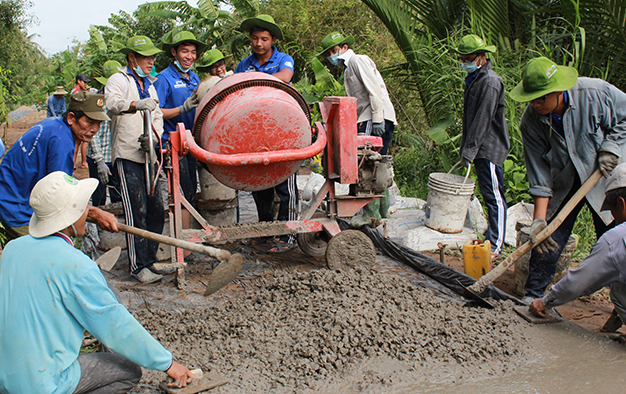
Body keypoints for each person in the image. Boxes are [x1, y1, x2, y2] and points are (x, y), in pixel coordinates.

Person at [0, 171, 194, 393]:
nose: (87, 213)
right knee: (128, 371)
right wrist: (167, 363)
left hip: (5, 377)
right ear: (71, 216)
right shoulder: (75, 265)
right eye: (83, 207)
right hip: (41, 384)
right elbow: (115, 324)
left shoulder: (13, 249)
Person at [509, 56, 626, 303]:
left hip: (607, 176)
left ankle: (620, 306)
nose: (536, 104)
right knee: (548, 238)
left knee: (616, 241)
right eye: (532, 98)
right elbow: (539, 172)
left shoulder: (595, 93)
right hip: (567, 179)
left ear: (559, 91)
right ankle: (533, 296)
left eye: (542, 98)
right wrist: (540, 221)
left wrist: (611, 146)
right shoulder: (531, 121)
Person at [0, 91, 118, 240]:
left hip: (8, 190)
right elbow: (60, 197)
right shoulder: (61, 143)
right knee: (48, 251)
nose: (95, 129)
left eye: (99, 123)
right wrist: (95, 213)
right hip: (16, 206)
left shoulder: (52, 125)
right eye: (89, 121)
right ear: (71, 118)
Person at [529, 163, 626, 333]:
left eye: (611, 209)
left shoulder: (616, 240)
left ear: (621, 203)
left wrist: (544, 302)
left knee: (617, 286)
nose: (612, 216)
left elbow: (581, 282)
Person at [105, 35, 169, 284]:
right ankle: (137, 266)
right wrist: (135, 105)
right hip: (127, 156)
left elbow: (158, 117)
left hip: (148, 156)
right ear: (132, 57)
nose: (151, 60)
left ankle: (150, 260)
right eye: (146, 57)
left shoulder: (149, 85)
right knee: (136, 211)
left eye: (153, 57)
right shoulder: (118, 80)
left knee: (156, 211)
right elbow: (112, 104)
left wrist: (154, 140)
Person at [234, 14, 299, 253]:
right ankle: (264, 232)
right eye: (254, 39)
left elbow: (285, 78)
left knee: (285, 184)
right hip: (255, 132)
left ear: (272, 39)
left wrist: (254, 81)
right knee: (260, 184)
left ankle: (289, 235)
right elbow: (235, 89)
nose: (258, 43)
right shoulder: (244, 64)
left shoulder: (284, 60)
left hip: (283, 129)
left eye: (263, 39)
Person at [320, 31, 397, 227]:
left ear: (345, 48)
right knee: (379, 162)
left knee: (365, 162)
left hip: (374, 116)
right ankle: (382, 210)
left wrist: (377, 118)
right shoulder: (348, 69)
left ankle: (371, 215)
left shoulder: (357, 61)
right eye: (329, 52)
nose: (332, 55)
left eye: (335, 50)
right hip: (371, 116)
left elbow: (374, 89)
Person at [454, 34, 509, 259]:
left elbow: (483, 120)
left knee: (494, 196)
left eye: (468, 58)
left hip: (489, 148)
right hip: (478, 148)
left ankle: (496, 245)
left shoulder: (490, 82)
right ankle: (492, 238)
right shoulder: (475, 79)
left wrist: (470, 149)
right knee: (488, 194)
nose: (464, 62)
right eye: (462, 58)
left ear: (482, 57)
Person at [154, 30, 205, 204]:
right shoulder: (164, 78)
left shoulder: (194, 77)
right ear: (174, 52)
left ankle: (189, 228)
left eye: (192, 52)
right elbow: (156, 111)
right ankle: (182, 229)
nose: (189, 56)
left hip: (190, 142)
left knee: (191, 189)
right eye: (184, 51)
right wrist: (181, 109)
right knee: (182, 192)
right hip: (173, 144)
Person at [87, 60, 123, 206]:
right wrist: (99, 161)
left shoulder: (119, 99)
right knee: (99, 196)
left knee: (119, 195)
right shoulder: (96, 102)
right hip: (99, 157)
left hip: (115, 155)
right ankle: (99, 227)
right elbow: (92, 134)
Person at [72, 73, 92, 169]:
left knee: (78, 142)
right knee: (78, 142)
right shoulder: (76, 93)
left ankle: (74, 163)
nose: (85, 84)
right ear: (78, 81)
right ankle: (77, 163)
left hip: (77, 120)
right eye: (84, 82)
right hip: (77, 120)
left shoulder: (78, 91)